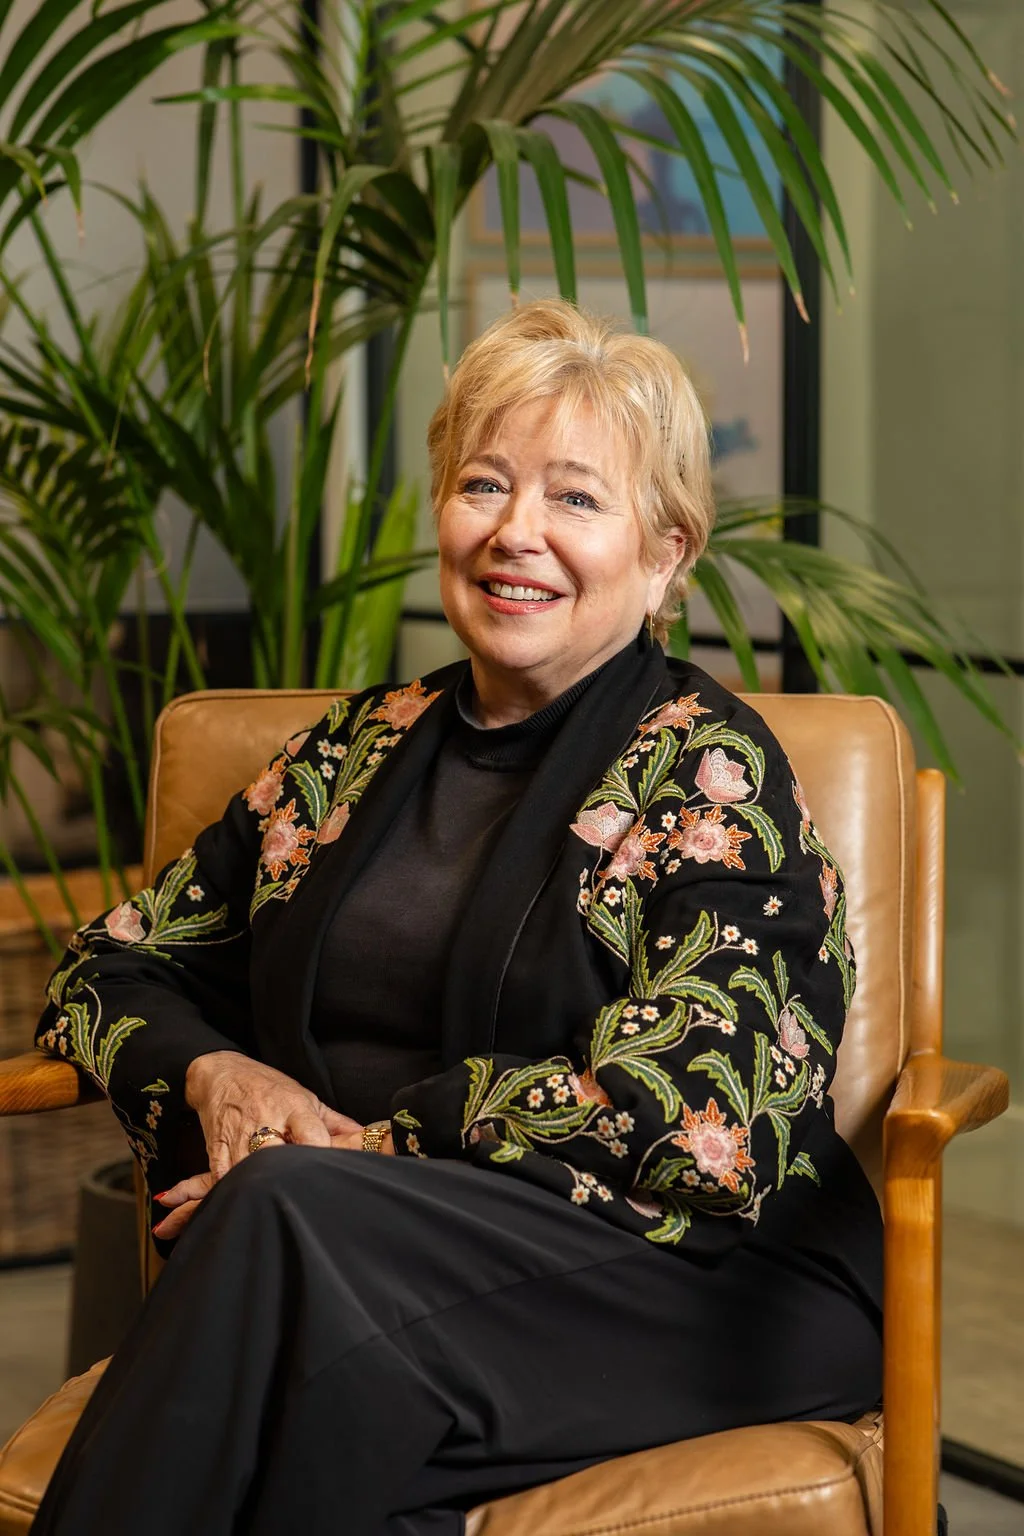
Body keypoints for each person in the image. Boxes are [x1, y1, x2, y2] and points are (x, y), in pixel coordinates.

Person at [32, 300, 882, 1536]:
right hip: (341, 1273)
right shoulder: (344, 760)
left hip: (690, 1285)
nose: (514, 534)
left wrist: (361, 1157)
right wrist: (212, 1075)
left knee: (292, 1247)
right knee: (341, 1386)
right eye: (483, 484)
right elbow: (105, 968)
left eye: (576, 500)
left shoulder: (711, 779)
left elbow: (700, 1111)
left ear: (665, 553)